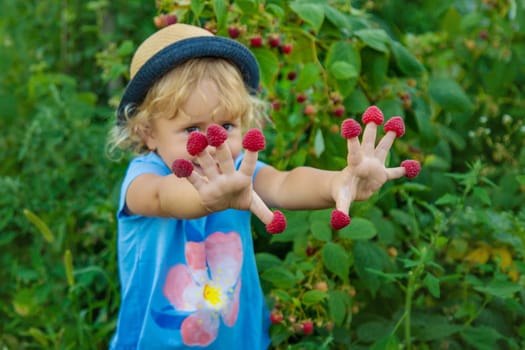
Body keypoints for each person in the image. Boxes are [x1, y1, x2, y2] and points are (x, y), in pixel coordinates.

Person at [107, 23, 419, 349]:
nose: (214, 145)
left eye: (226, 125)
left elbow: (285, 183)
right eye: (192, 130)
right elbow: (163, 197)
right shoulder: (142, 179)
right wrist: (208, 196)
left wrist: (338, 181)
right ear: (148, 133)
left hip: (237, 339)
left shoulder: (240, 170)